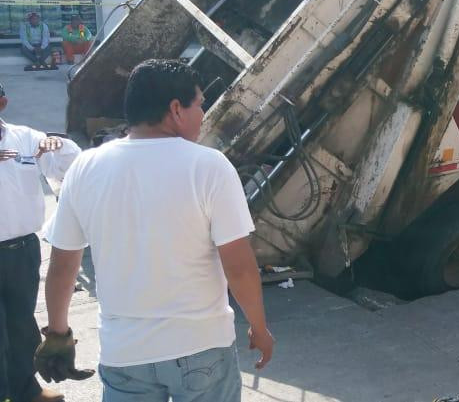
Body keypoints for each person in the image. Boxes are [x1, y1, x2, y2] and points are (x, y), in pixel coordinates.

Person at [38, 59, 274, 401]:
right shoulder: (209, 167)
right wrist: (260, 327)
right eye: (200, 105)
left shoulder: (85, 168)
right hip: (201, 347)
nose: (203, 115)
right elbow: (238, 266)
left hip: (125, 354)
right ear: (176, 109)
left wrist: (58, 334)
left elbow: (63, 266)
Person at [0, 81, 82, 402]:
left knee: (21, 327)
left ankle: (26, 391)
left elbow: (71, 165)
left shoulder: (25, 138)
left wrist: (57, 146)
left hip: (22, 250)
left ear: (3, 103)